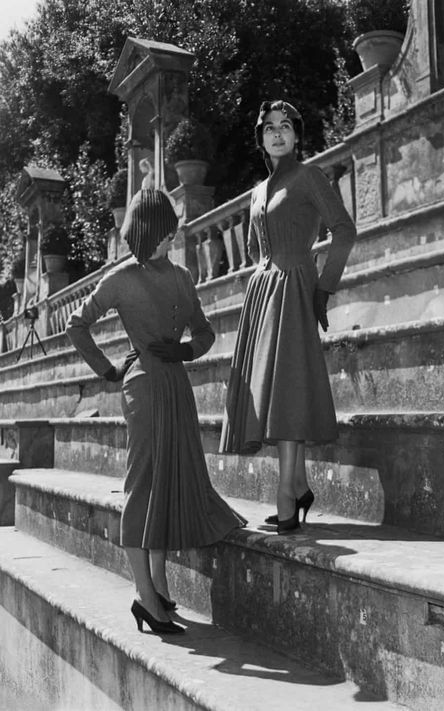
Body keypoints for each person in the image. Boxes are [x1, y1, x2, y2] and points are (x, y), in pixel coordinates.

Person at [67, 189, 245, 635]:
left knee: (167, 485)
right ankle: (144, 597)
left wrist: (184, 349)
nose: (172, 235)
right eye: (164, 229)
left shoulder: (184, 276)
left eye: (173, 228)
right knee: (144, 486)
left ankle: (160, 589)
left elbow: (204, 333)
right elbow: (77, 324)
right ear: (145, 230)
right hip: (143, 389)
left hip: (176, 386)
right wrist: (108, 370)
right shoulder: (122, 277)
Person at [219, 100, 356, 534]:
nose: (277, 134)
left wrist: (323, 287)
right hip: (262, 296)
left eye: (285, 127)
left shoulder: (309, 176)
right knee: (272, 394)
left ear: (297, 135)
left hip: (295, 290)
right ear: (261, 139)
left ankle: (285, 494)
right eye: (269, 128)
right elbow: (255, 251)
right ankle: (298, 487)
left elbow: (344, 230)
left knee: (289, 391)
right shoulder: (257, 192)